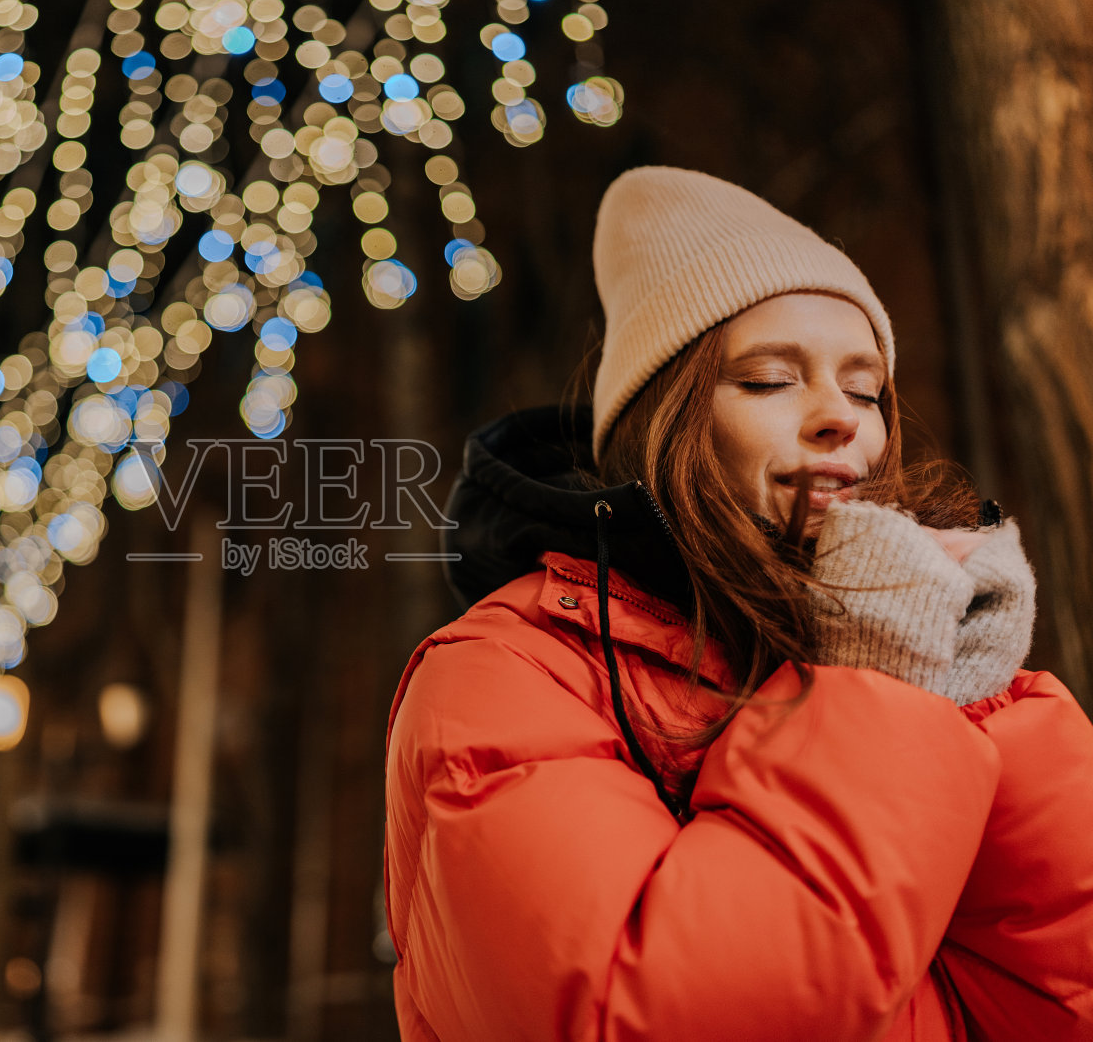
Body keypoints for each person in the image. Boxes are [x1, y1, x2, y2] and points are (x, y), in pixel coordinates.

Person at [383, 166, 1093, 1041]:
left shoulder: (867, 650)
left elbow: (1047, 997)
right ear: (661, 421)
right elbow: (657, 1014)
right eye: (767, 380)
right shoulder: (507, 671)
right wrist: (886, 689)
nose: (840, 416)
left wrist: (978, 696)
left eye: (866, 389)